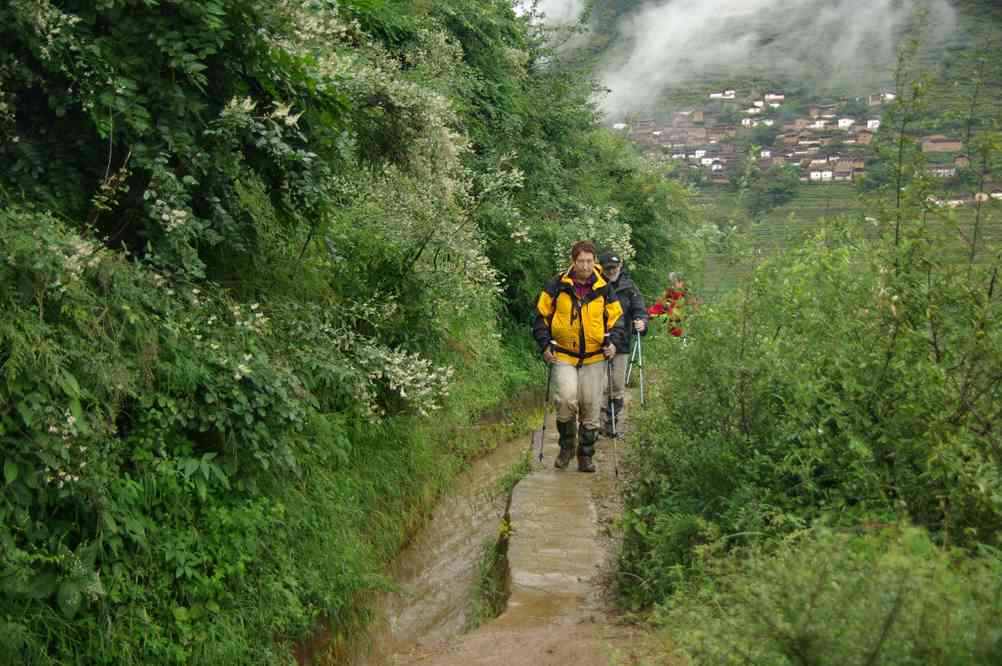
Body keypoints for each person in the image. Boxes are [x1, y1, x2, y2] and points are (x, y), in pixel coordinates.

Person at [532, 240, 627, 472]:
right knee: (565, 400)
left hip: (595, 357)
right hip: (564, 354)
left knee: (591, 406)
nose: (585, 266)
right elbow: (539, 317)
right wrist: (545, 345)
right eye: (581, 261)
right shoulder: (556, 285)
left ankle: (585, 455)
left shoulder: (604, 287)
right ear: (573, 261)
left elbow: (617, 319)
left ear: (594, 261)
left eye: (589, 261)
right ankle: (566, 448)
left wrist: (613, 343)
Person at [598, 251, 647, 437]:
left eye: (615, 267)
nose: (612, 271)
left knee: (617, 386)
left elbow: (639, 308)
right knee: (598, 385)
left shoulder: (629, 286)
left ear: (621, 266)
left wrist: (641, 321)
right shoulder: (595, 285)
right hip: (597, 344)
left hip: (622, 343)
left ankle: (610, 423)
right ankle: (594, 424)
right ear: (601, 268)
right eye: (608, 268)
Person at [648, 272, 694, 337]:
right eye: (670, 283)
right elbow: (655, 310)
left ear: (681, 282)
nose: (672, 286)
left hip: (682, 328)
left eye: (674, 283)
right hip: (671, 331)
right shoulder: (668, 295)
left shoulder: (686, 294)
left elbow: (691, 308)